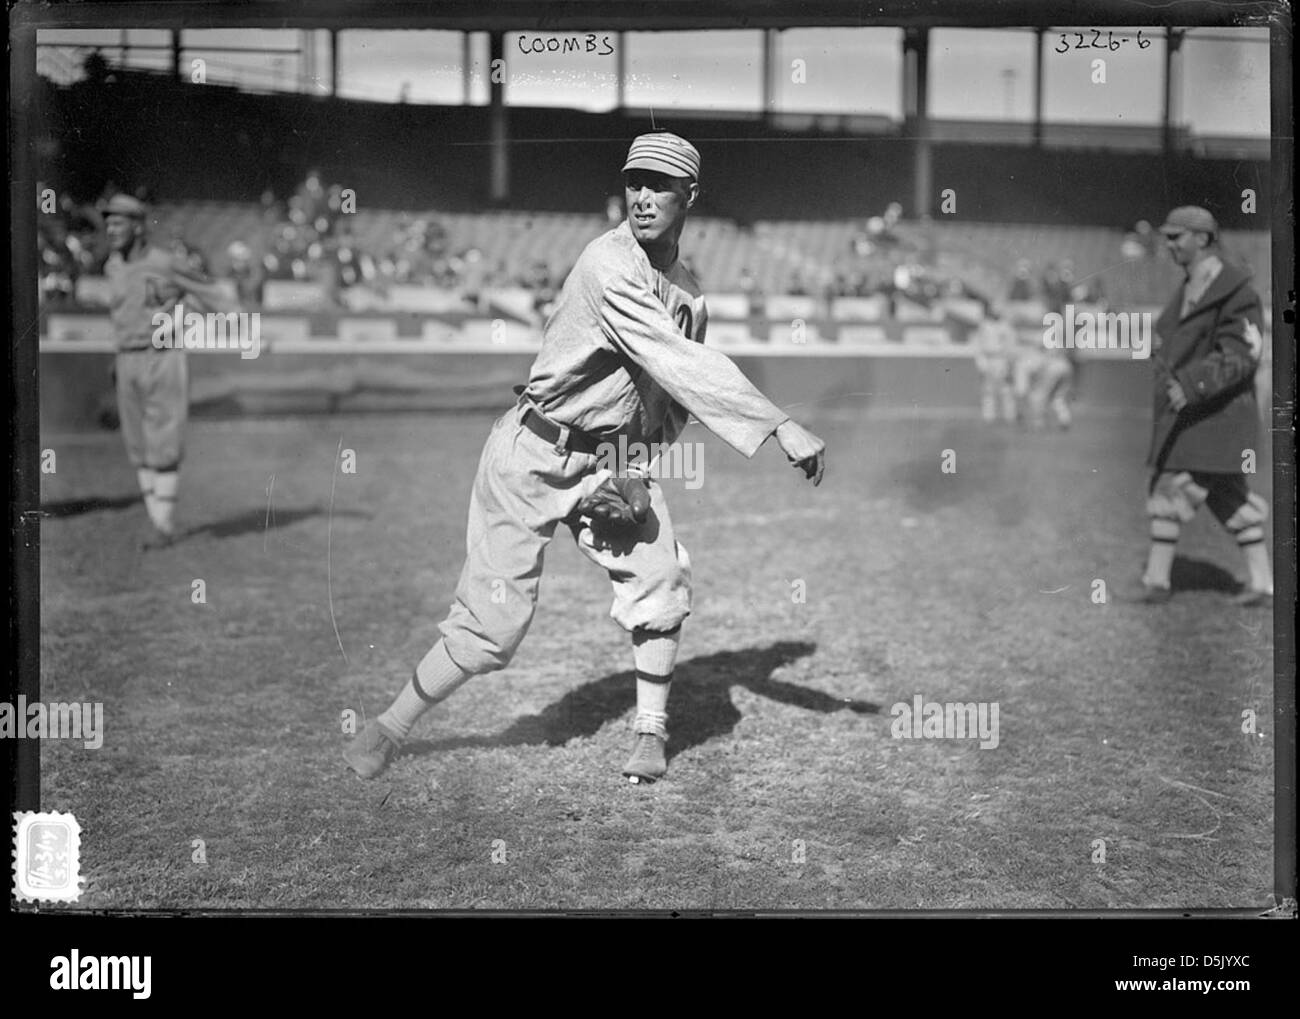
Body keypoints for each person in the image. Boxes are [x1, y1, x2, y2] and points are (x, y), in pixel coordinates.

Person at [344, 132, 827, 784]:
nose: (643, 197)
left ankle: (650, 731)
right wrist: (777, 423)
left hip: (608, 460)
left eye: (660, 185)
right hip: (531, 454)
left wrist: (636, 466)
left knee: (661, 578)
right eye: (635, 182)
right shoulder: (607, 262)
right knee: (493, 628)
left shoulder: (689, 295)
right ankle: (390, 727)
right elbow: (674, 358)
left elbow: (671, 400)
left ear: (690, 195)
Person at [1127, 206, 1271, 605]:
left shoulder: (1237, 291)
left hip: (1214, 415)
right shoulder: (1191, 286)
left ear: (1203, 238)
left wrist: (1192, 384)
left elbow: (1243, 353)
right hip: (1197, 418)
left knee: (1171, 487)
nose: (1168, 244)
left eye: (1176, 237)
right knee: (1228, 497)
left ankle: (1158, 582)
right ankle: (1263, 584)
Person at [102, 193, 239, 549]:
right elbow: (123, 315)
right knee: (137, 445)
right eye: (108, 223)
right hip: (126, 359)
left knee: (164, 442)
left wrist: (242, 328)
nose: (111, 230)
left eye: (118, 223)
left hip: (162, 356)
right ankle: (156, 520)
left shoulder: (165, 262)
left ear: (138, 226)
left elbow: (211, 293)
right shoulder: (112, 266)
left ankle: (162, 525)